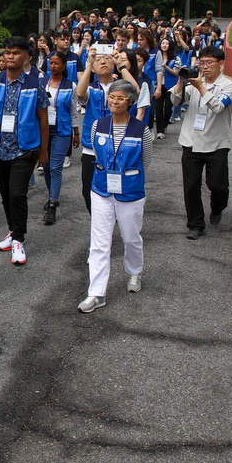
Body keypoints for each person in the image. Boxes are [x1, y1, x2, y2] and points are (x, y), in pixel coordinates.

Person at [78, 80, 154, 313]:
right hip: (101, 190)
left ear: (130, 102)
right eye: (112, 97)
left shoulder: (142, 130)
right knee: (99, 243)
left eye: (120, 98)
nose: (114, 101)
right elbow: (96, 155)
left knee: (131, 238)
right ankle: (96, 293)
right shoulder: (98, 125)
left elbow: (146, 161)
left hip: (130, 193)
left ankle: (134, 273)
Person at [0, 35, 49, 266]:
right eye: (7, 52)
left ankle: (19, 239)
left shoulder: (36, 84)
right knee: (4, 194)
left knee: (17, 194)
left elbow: (43, 118)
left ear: (27, 57)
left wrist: (44, 150)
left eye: (16, 52)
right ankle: (12, 231)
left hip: (24, 148)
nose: (10, 56)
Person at [170, 46, 232, 240]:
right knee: (191, 186)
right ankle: (195, 224)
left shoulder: (228, 86)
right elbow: (175, 102)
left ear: (221, 64)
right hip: (191, 141)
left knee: (217, 186)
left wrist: (200, 86)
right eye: (202, 62)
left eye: (209, 63)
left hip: (216, 143)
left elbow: (217, 107)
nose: (204, 67)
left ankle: (217, 208)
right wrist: (181, 82)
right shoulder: (193, 84)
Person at [75, 49, 140, 213]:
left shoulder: (120, 88)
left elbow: (136, 91)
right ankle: (98, 219)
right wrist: (89, 64)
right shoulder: (91, 88)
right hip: (92, 148)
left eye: (107, 59)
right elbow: (80, 93)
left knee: (118, 186)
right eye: (98, 60)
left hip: (119, 144)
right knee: (88, 190)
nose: (102, 62)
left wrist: (122, 65)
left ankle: (116, 218)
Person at [41, 51, 80, 225]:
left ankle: (52, 204)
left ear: (64, 65)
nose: (53, 66)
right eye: (51, 63)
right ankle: (53, 195)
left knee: (56, 167)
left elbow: (73, 110)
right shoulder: (41, 83)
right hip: (43, 130)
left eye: (56, 63)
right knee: (47, 166)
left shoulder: (70, 85)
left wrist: (76, 132)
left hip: (62, 130)